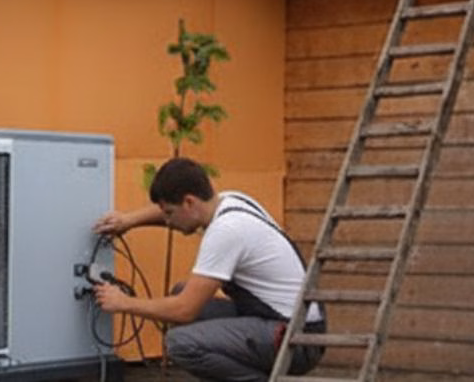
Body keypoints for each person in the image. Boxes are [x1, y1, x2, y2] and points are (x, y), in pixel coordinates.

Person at [92, 157, 324, 381]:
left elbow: (184, 310)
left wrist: (124, 303)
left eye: (169, 213)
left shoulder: (226, 231)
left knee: (181, 343)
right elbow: (169, 212)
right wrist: (128, 220)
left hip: (296, 341)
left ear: (190, 202)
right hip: (288, 323)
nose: (168, 221)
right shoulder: (229, 201)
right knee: (180, 292)